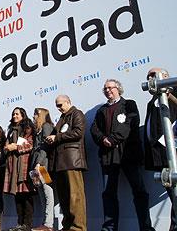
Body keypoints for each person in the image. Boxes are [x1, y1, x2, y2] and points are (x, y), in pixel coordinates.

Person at [91, 79, 155, 231]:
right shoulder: (102, 110)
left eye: (110, 88)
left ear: (118, 89)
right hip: (108, 156)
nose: (107, 90)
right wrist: (103, 139)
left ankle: (145, 227)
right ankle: (109, 228)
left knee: (139, 191)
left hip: (129, 154)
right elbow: (94, 129)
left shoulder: (129, 104)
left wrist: (112, 139)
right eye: (105, 88)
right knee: (108, 194)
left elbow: (130, 124)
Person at [46, 95, 87, 231]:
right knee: (64, 198)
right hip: (61, 163)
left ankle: (78, 228)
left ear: (68, 102)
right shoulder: (62, 119)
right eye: (56, 106)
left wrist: (57, 137)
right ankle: (67, 226)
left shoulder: (77, 113)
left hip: (72, 161)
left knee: (75, 197)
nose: (58, 108)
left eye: (60, 105)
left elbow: (78, 132)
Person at [143, 68, 177, 231]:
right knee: (172, 190)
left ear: (165, 77)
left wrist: (168, 94)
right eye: (149, 76)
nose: (151, 78)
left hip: (172, 152)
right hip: (159, 155)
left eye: (154, 75)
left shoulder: (173, 93)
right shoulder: (152, 101)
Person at [3, 107, 35, 231]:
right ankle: (19, 223)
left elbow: (31, 145)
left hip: (24, 165)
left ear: (23, 115)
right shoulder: (10, 130)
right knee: (17, 196)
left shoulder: (27, 128)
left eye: (17, 114)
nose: (14, 115)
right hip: (12, 166)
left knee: (26, 195)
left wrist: (15, 147)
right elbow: (7, 146)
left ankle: (27, 224)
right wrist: (6, 148)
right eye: (13, 114)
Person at [31, 108, 55, 231]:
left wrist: (39, 163)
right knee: (41, 195)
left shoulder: (46, 126)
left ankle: (49, 224)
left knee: (47, 193)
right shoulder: (37, 130)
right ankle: (44, 223)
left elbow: (46, 146)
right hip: (36, 167)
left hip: (43, 166)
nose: (33, 116)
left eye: (35, 114)